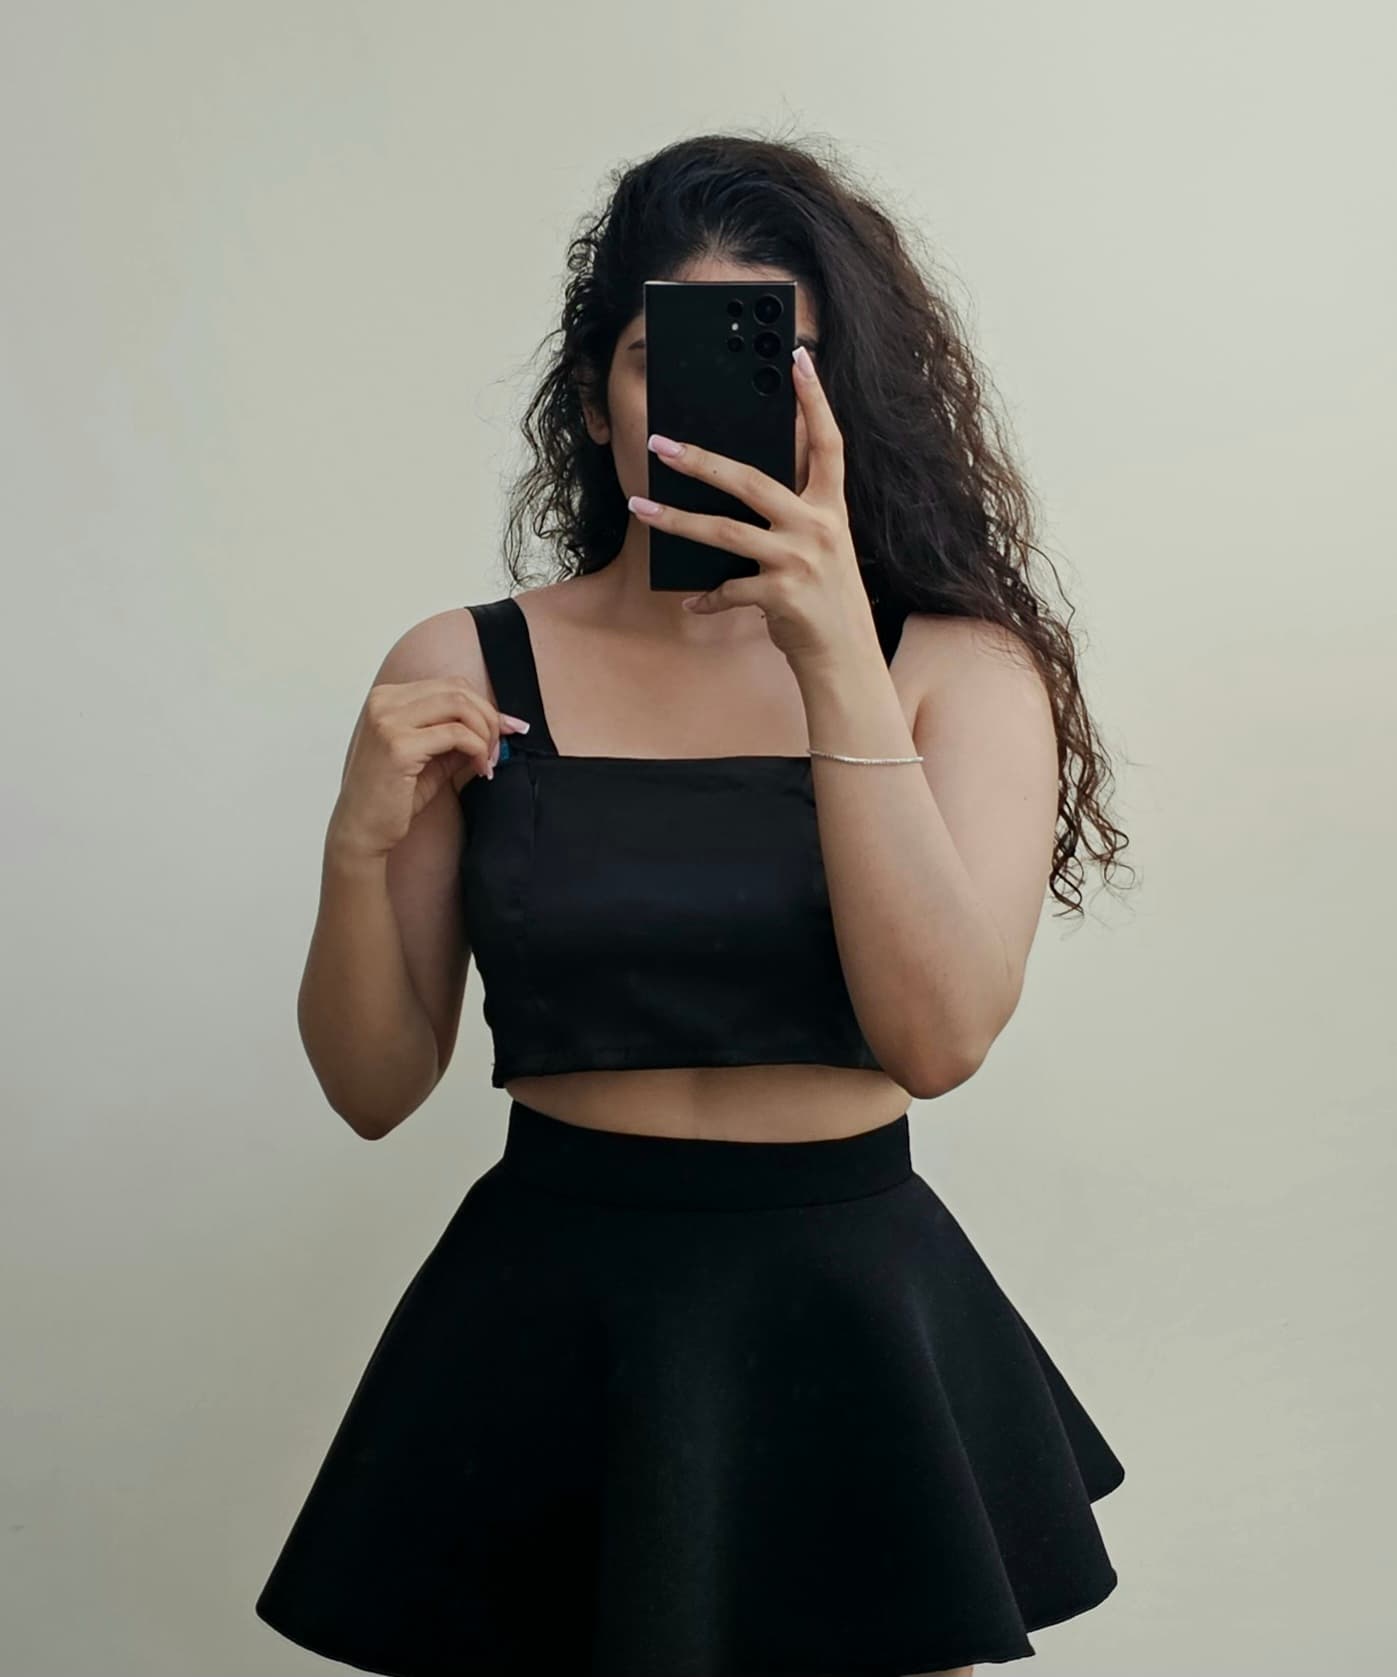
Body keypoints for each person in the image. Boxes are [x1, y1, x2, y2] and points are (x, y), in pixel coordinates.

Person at [254, 131, 1132, 1677]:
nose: (709, 404)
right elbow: (374, 1086)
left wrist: (832, 651)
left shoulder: (957, 670)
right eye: (659, 361)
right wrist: (352, 845)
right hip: (548, 1320)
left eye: (778, 361)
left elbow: (935, 1038)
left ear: (843, 399)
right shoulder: (461, 667)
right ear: (597, 398)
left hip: (850, 1322)